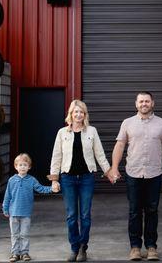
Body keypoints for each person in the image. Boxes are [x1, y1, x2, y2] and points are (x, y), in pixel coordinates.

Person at [110, 91, 162, 261]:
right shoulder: (127, 123)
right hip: (133, 173)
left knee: (152, 211)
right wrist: (114, 167)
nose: (144, 104)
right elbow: (120, 145)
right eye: (141, 101)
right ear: (136, 103)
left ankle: (152, 247)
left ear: (152, 103)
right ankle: (135, 247)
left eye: (147, 101)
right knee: (134, 211)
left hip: (154, 173)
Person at [48, 99, 113, 262]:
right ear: (71, 114)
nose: (78, 114)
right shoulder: (62, 133)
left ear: (85, 115)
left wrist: (109, 171)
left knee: (85, 214)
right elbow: (56, 156)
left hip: (86, 178)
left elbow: (99, 154)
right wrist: (54, 179)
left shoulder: (92, 131)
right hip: (67, 178)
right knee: (71, 215)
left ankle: (83, 246)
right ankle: (74, 248)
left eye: (81, 112)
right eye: (75, 112)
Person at [3, 153, 58, 262]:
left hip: (26, 213)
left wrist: (51, 189)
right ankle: (15, 253)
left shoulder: (32, 180)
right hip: (13, 213)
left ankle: (24, 253)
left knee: (24, 234)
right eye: (20, 165)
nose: (22, 167)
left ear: (29, 167)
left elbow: (41, 189)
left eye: (25, 165)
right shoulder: (11, 180)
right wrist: (5, 209)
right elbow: (7, 196)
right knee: (15, 234)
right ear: (16, 166)